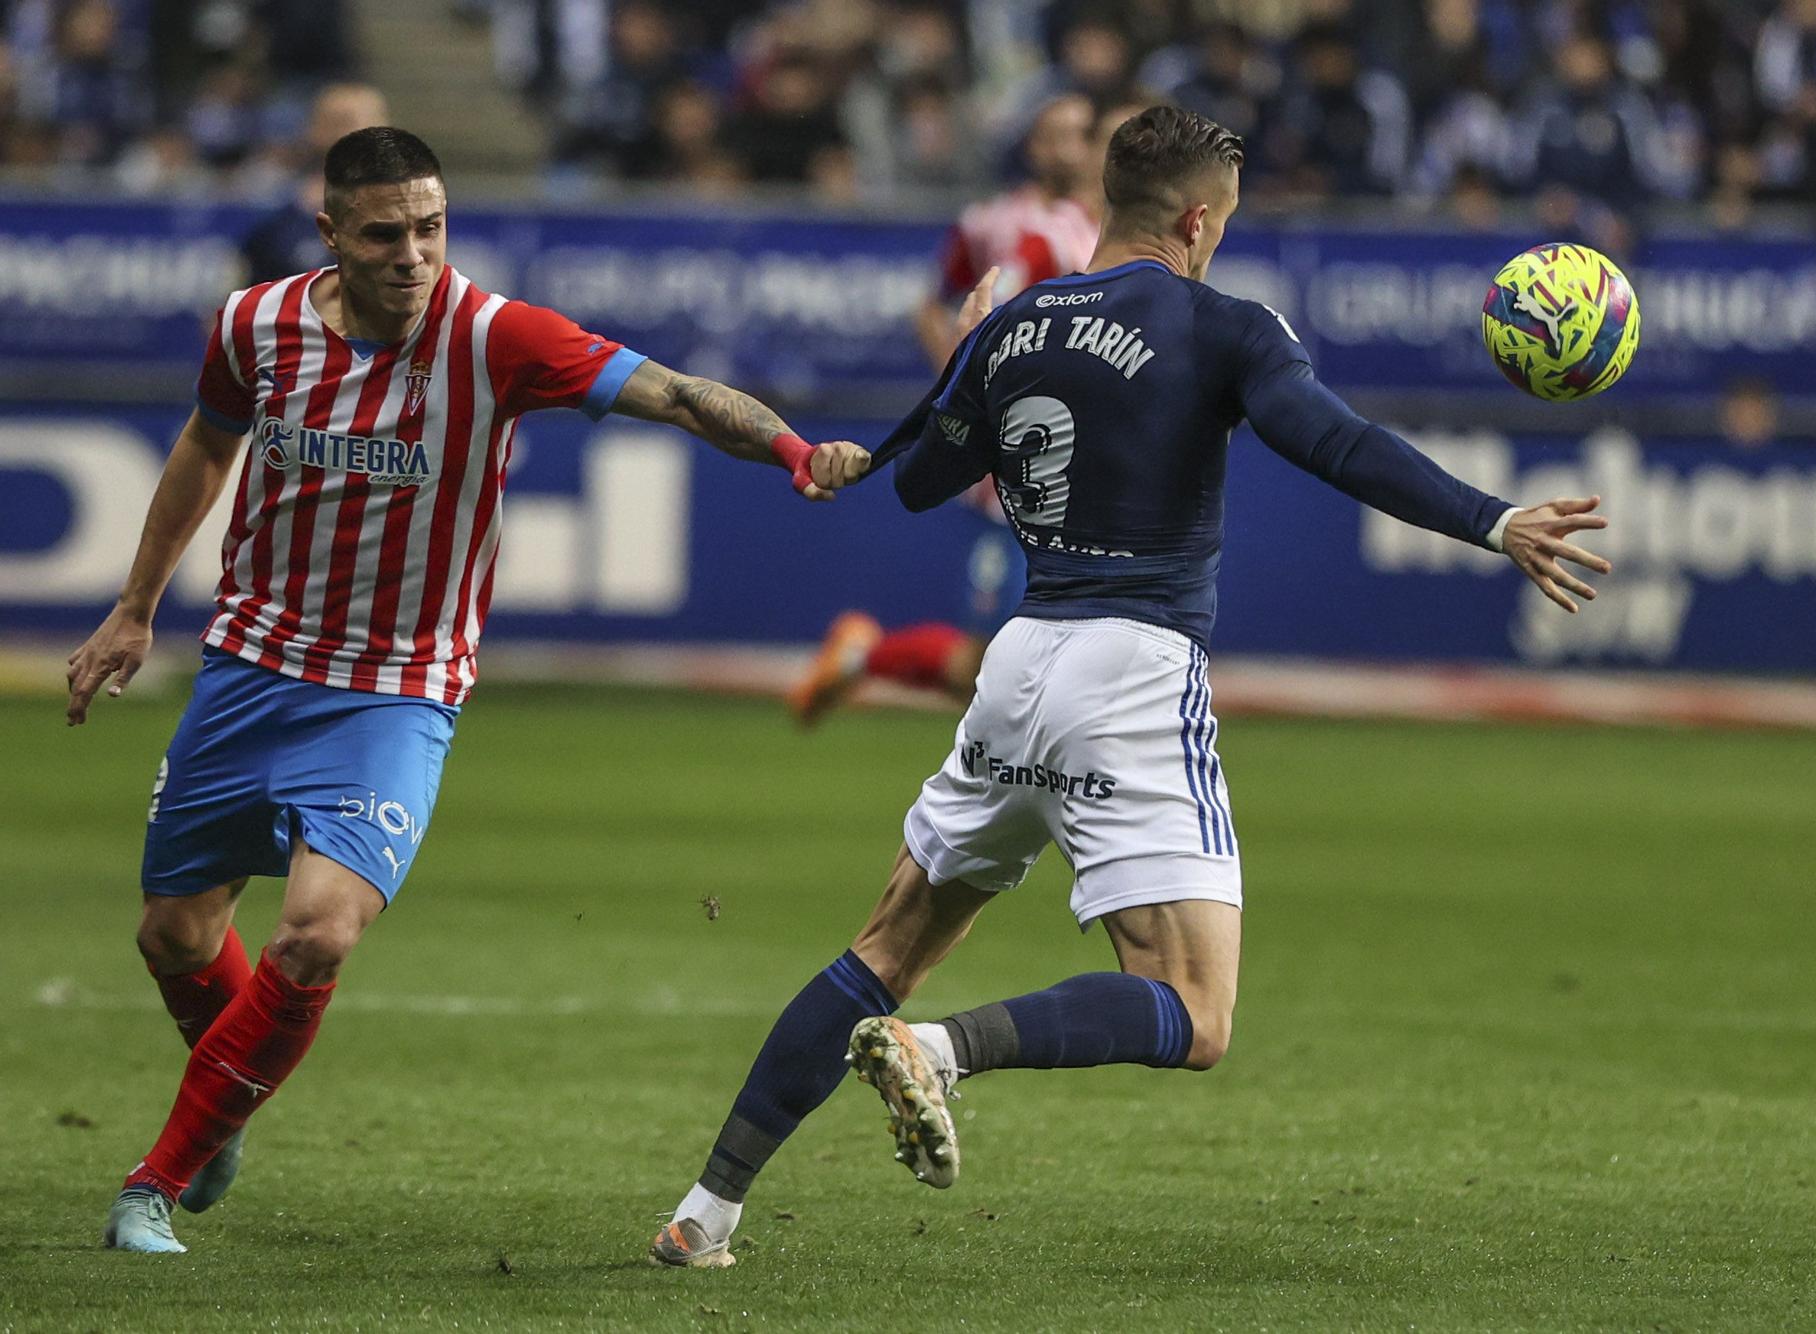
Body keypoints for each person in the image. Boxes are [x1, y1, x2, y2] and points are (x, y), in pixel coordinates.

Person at [649, 105, 1611, 1269]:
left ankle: (705, 1211)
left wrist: (968, 352)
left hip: (1018, 662)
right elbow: (1334, 441)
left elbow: (918, 485)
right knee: (1195, 1012)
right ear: (1197, 218)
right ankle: (941, 1051)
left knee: (884, 939)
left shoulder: (1010, 327)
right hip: (1132, 669)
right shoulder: (1222, 324)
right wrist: (1491, 518)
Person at [70, 126, 870, 1255]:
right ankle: (229, 1094)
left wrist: (792, 449)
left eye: (431, 229)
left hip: (394, 690)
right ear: (333, 232)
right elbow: (207, 443)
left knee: (315, 935)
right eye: (387, 233)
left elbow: (681, 395)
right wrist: (136, 605)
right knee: (173, 934)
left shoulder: (497, 338)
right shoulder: (253, 325)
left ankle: (155, 1178)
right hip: (250, 667)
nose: (413, 254)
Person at [790, 93, 1100, 721]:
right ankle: (865, 660)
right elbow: (962, 309)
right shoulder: (1023, 231)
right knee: (994, 665)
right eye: (1057, 135)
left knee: (1026, 666)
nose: (1069, 149)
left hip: (1073, 460)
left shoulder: (1099, 235)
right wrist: (965, 388)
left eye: (1081, 136)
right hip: (1023, 460)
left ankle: (865, 658)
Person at [240, 84, 391, 285]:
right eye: (332, 122)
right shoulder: (276, 220)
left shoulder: (411, 214)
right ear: (312, 129)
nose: (342, 133)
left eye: (349, 121)